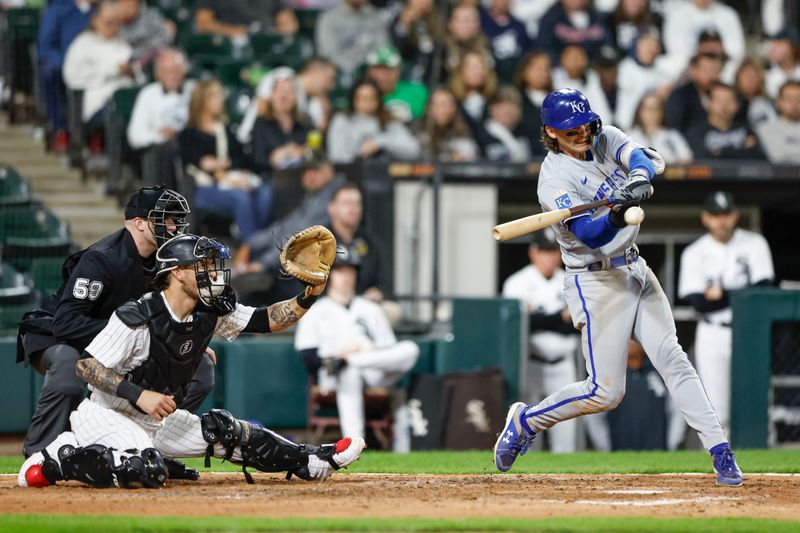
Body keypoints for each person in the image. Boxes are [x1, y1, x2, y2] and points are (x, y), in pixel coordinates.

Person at [492, 88, 744, 486]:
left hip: (635, 268)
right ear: (551, 132)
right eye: (570, 129)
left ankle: (720, 451)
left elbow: (638, 157)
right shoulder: (553, 179)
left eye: (585, 124)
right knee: (605, 393)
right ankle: (526, 420)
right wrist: (617, 213)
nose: (582, 133)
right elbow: (590, 233)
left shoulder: (602, 135)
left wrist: (639, 180)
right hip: (594, 280)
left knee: (673, 359)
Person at [19, 233, 366, 488]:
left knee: (224, 430)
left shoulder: (209, 312)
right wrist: (138, 394)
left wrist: (309, 296)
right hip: (105, 414)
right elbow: (86, 367)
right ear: (177, 273)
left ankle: (313, 460)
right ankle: (60, 458)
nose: (212, 273)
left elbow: (268, 319)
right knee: (146, 469)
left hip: (154, 423)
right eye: (202, 266)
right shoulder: (137, 315)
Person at [15, 186, 214, 458]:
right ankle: (39, 457)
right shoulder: (103, 258)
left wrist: (182, 338)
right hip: (56, 335)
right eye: (165, 218)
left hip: (116, 342)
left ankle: (151, 449)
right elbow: (66, 323)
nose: (174, 225)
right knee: (67, 369)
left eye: (176, 219)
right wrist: (142, 335)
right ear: (139, 223)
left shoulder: (167, 262)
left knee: (200, 368)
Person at [294, 250, 419, 450]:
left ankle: (352, 360)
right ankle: (354, 445)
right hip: (334, 373)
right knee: (348, 373)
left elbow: (389, 350)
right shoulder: (316, 310)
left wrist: (356, 354)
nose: (345, 276)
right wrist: (336, 360)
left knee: (410, 349)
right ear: (329, 275)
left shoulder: (370, 308)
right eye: (340, 271)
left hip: (374, 370)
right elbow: (308, 358)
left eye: (350, 271)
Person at [678, 191, 774, 436]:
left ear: (735, 215)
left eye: (725, 214)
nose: (721, 221)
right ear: (705, 218)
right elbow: (699, 304)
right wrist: (742, 293)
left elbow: (763, 292)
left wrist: (721, 294)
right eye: (715, 215)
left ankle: (766, 469)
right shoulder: (694, 252)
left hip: (750, 331)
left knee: (758, 402)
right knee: (717, 409)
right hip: (713, 332)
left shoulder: (754, 243)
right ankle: (724, 464)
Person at [502, 229, 579, 453]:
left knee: (566, 430)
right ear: (533, 253)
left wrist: (543, 319)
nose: (550, 257)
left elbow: (576, 323)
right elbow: (524, 325)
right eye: (544, 251)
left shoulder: (570, 280)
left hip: (564, 363)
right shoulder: (517, 283)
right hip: (531, 363)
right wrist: (558, 318)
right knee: (527, 428)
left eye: (554, 251)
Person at [178, 79, 272, 241]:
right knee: (240, 198)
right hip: (202, 188)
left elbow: (242, 159)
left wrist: (225, 166)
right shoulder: (188, 134)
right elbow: (199, 163)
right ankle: (253, 249)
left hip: (232, 181)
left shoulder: (226, 130)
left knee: (264, 193)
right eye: (215, 95)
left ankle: (258, 241)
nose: (221, 99)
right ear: (202, 100)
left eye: (221, 95)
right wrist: (217, 171)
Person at [126, 48, 193, 188]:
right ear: (157, 74)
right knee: (161, 150)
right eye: (168, 71)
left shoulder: (193, 91)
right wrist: (160, 135)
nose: (173, 76)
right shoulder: (148, 95)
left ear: (184, 72)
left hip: (189, 149)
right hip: (160, 154)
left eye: (177, 71)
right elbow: (135, 137)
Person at [62, 0, 136, 126]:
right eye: (109, 23)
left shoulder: (122, 44)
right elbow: (71, 77)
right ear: (95, 20)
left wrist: (131, 71)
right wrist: (113, 71)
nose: (114, 27)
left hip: (126, 96)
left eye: (118, 23)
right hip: (99, 102)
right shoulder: (83, 43)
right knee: (116, 110)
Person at [37, 0, 95, 151]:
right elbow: (45, 46)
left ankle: (96, 134)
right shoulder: (58, 9)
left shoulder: (102, 9)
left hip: (96, 67)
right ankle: (61, 129)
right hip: (65, 64)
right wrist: (67, 65)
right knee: (51, 72)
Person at [326, 79, 420, 164]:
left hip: (384, 173)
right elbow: (336, 157)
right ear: (354, 100)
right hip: (352, 174)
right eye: (362, 99)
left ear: (378, 100)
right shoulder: (343, 120)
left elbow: (413, 149)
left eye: (372, 98)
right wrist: (360, 151)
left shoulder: (389, 121)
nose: (367, 103)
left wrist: (379, 142)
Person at [327, 183, 388, 301]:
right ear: (332, 208)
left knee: (393, 310)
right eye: (346, 203)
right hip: (327, 307)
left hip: (364, 305)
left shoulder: (369, 242)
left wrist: (378, 292)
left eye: (357, 204)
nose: (352, 209)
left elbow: (384, 283)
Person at [662, 0, 744, 83]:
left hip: (723, 68)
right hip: (689, 68)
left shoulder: (729, 14)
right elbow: (676, 51)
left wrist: (715, 66)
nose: (710, 47)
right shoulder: (677, 15)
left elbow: (736, 51)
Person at [251, 72, 312, 175]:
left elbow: (314, 150)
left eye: (288, 91)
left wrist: (296, 152)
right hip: (271, 178)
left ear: (296, 96)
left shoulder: (305, 122)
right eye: (279, 91)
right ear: (271, 96)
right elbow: (258, 159)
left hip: (303, 177)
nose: (283, 96)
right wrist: (276, 157)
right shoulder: (261, 123)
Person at [685, 82, 766, 160]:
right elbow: (702, 159)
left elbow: (758, 157)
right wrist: (740, 149)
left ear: (737, 105)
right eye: (719, 100)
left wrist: (720, 152)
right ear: (708, 103)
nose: (724, 106)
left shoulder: (746, 130)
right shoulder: (695, 132)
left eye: (729, 100)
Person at [314, 0, 390, 80]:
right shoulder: (329, 18)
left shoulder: (376, 17)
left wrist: (366, 67)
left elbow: (383, 49)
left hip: (371, 72)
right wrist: (352, 69)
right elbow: (327, 54)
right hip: (340, 74)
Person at [365, 45, 429, 124]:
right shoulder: (362, 95)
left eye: (388, 70)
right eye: (377, 69)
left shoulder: (419, 92)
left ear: (398, 71)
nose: (381, 76)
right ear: (369, 72)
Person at [664, 53, 724, 134]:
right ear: (694, 71)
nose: (711, 76)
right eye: (706, 70)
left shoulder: (725, 94)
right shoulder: (680, 97)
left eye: (715, 71)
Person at [416, 87, 479, 162]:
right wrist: (449, 158)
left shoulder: (462, 132)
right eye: (441, 105)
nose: (446, 110)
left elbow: (470, 154)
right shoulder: (418, 131)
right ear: (429, 108)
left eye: (450, 105)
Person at [628, 92, 693, 165]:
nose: (652, 113)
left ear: (662, 112)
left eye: (656, 108)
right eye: (648, 108)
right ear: (640, 111)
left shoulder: (672, 136)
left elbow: (686, 159)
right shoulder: (629, 137)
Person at [537, 0, 608, 64]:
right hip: (559, 71)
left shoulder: (599, 18)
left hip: (595, 68)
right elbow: (544, 50)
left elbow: (608, 46)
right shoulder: (550, 19)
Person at [479, 0, 532, 82]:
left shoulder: (519, 26)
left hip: (516, 76)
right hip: (491, 76)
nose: (503, 1)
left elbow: (527, 55)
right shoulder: (481, 22)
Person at [514, 51, 552, 157]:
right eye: (537, 68)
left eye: (546, 69)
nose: (542, 73)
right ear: (524, 72)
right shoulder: (517, 99)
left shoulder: (557, 101)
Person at [479, 85, 530, 162]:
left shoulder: (526, 131)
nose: (509, 113)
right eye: (504, 109)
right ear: (492, 109)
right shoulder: (481, 134)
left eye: (514, 108)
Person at [116, 0, 173, 65]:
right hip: (127, 64)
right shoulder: (112, 23)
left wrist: (142, 53)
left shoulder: (151, 15)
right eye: (123, 2)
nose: (127, 5)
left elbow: (164, 38)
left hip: (152, 62)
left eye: (130, 2)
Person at [756, 80, 800, 164]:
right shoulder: (766, 129)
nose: (794, 104)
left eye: (799, 99)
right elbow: (779, 157)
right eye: (789, 99)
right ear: (778, 102)